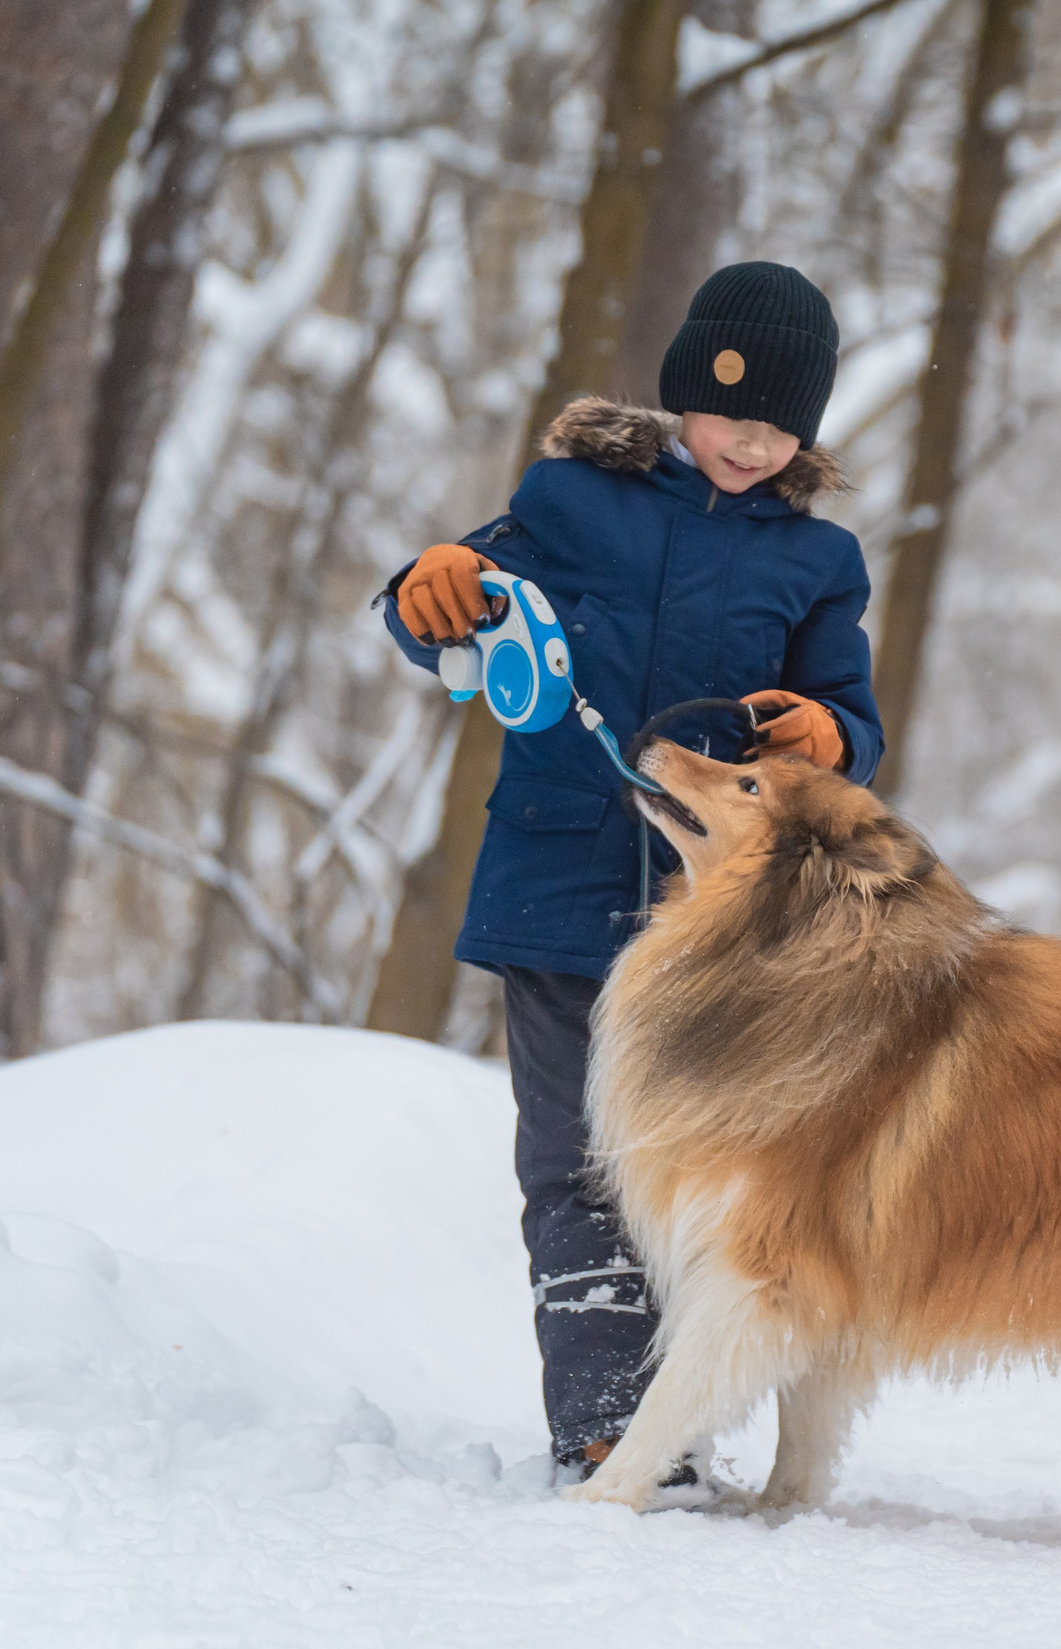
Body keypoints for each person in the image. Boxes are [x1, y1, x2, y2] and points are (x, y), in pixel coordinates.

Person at [378, 262, 883, 1479]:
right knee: (571, 1164)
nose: (752, 446)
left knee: (695, 1172)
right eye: (731, 418)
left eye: (779, 429)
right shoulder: (569, 499)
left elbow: (851, 718)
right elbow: (455, 609)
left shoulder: (815, 561)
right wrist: (425, 592)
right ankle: (608, 1428)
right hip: (552, 887)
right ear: (681, 398)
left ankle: (681, 1414)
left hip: (712, 924)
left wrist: (828, 736)